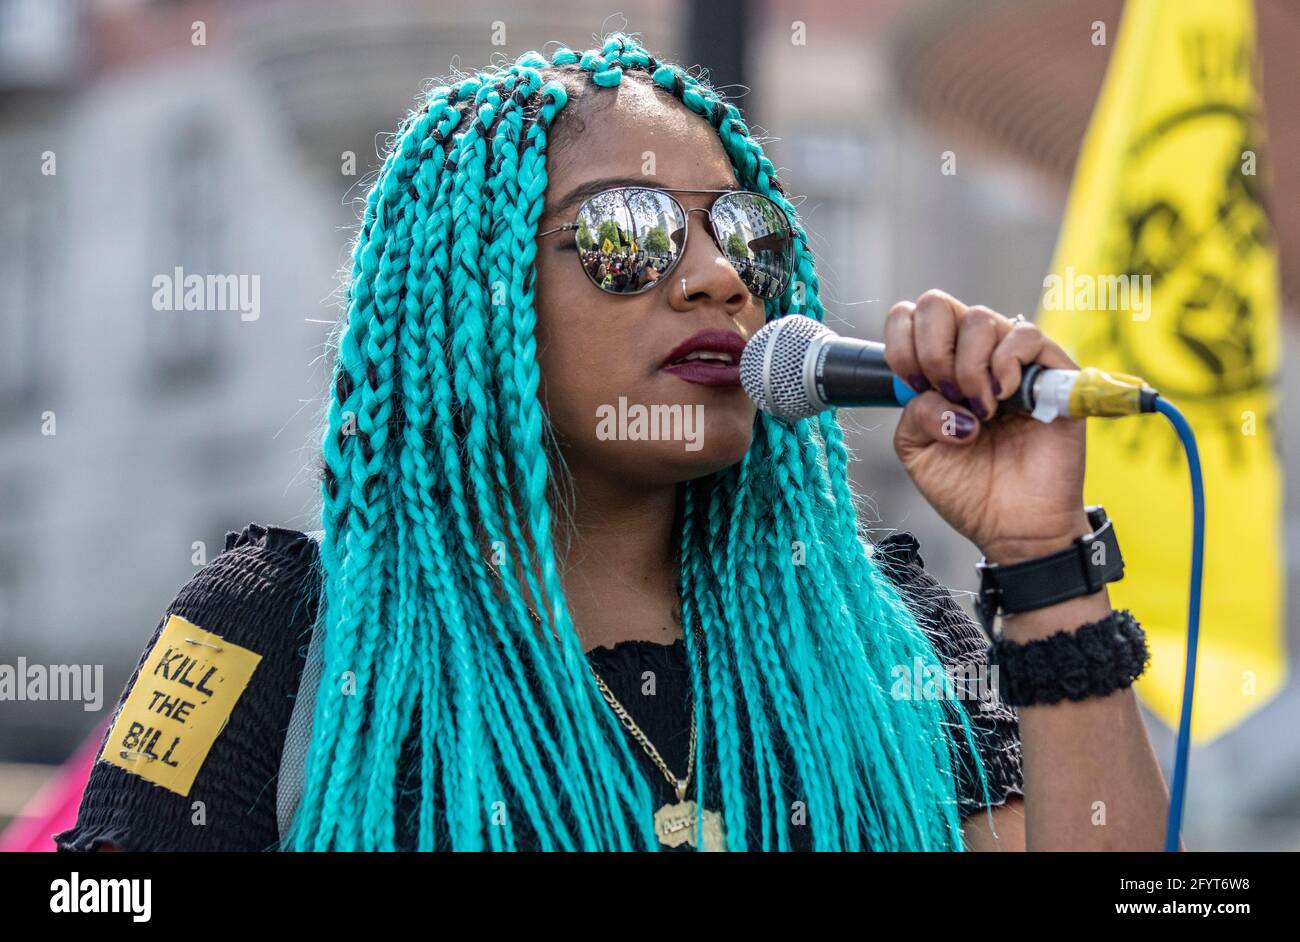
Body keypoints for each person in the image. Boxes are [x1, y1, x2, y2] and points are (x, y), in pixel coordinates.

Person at [55, 33, 1170, 853]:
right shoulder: (270, 630)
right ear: (473, 302)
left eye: (745, 236)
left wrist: (1043, 561)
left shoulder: (887, 632)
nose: (718, 278)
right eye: (624, 234)